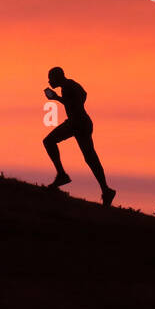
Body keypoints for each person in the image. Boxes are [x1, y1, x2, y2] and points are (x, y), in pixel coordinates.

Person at [43, 67, 115, 206]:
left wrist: (58, 98)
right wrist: (59, 98)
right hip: (82, 122)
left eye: (51, 78)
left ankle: (62, 175)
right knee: (90, 157)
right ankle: (106, 190)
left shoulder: (68, 86)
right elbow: (81, 96)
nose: (49, 81)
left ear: (58, 77)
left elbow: (78, 99)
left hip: (77, 123)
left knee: (49, 141)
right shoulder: (70, 85)